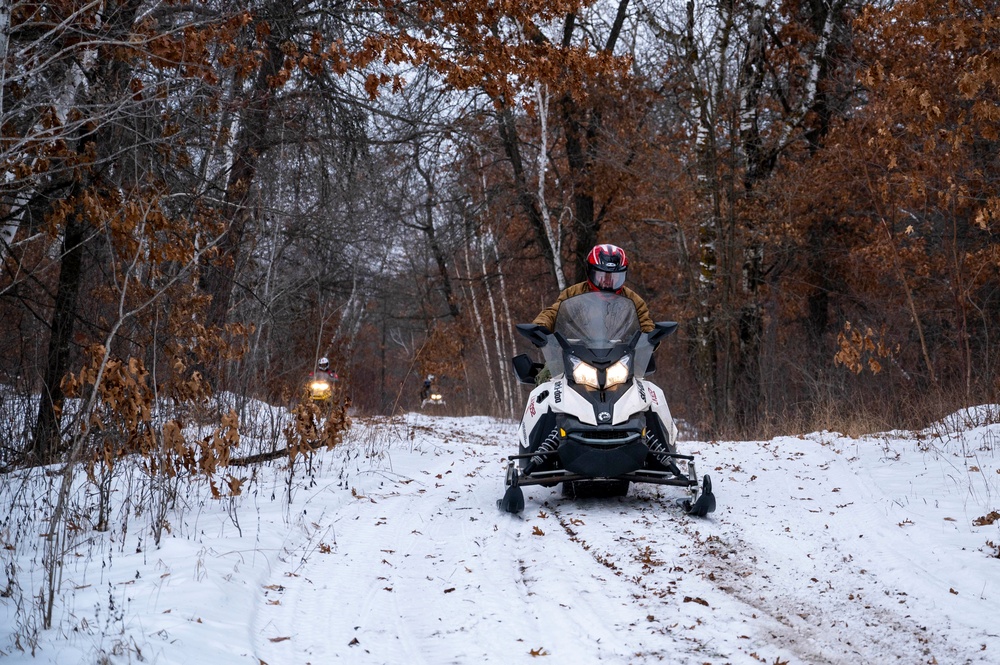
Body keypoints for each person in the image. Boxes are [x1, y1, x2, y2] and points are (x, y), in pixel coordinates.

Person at [533, 243, 654, 333]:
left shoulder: (633, 300)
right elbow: (554, 312)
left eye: (614, 276)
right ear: (590, 273)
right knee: (550, 367)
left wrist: (651, 336)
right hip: (575, 355)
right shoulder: (573, 294)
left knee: (645, 367)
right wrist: (541, 326)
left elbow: (645, 323)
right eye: (602, 276)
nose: (607, 281)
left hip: (621, 358)